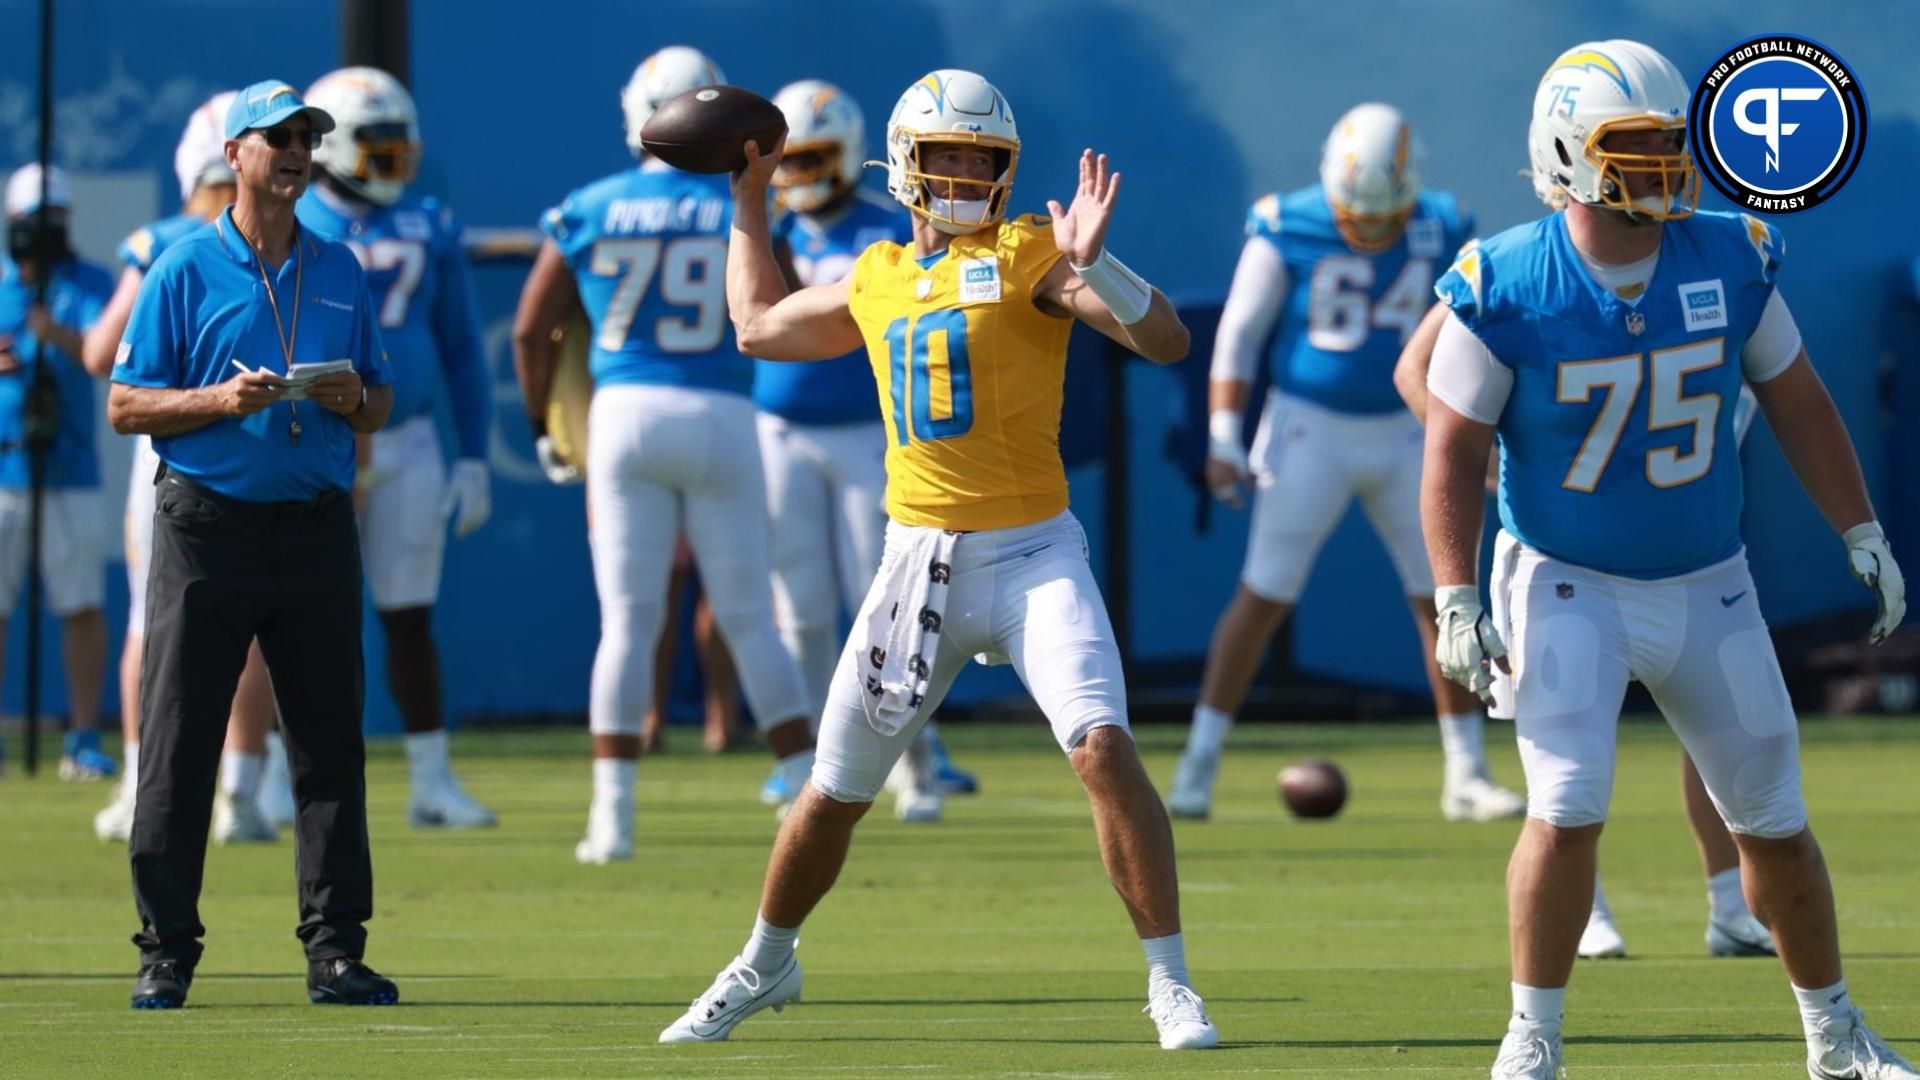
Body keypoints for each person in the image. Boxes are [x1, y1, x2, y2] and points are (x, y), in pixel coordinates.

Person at [659, 69, 1217, 1051]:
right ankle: (764, 960)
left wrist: (1104, 264)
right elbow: (756, 328)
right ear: (906, 165)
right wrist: (750, 211)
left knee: (1103, 747)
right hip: (917, 566)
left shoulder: (1029, 251)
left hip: (1036, 553)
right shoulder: (875, 274)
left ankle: (1170, 982)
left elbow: (1166, 341)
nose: (965, 174)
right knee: (832, 795)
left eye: (982, 160)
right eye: (948, 156)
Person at [1419, 40, 1914, 1078]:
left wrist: (1859, 526)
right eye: (1631, 147)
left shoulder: (1731, 253)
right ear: (1566, 154)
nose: (1661, 168)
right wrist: (1458, 592)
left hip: (1709, 579)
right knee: (1565, 812)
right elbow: (1453, 448)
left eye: (1669, 144)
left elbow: (1798, 399)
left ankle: (1833, 1039)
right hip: (1564, 580)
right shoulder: (1506, 280)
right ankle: (1533, 1041)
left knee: (1773, 820)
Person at [110, 80, 398, 1009]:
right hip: (207, 529)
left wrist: (349, 398)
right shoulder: (182, 267)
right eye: (277, 138)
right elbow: (125, 404)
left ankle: (335, 950)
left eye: (307, 137)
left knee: (328, 745)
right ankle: (165, 951)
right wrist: (218, 402)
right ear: (234, 153)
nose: (296, 151)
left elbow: (381, 399)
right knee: (179, 743)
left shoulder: (343, 267)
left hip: (316, 527)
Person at [1165, 104, 1523, 824]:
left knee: (1443, 598)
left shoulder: (1444, 223)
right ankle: (1198, 765)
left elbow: (1482, 331)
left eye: (1384, 215)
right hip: (1309, 428)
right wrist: (1226, 434)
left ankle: (1466, 772)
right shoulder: (1285, 222)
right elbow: (1239, 333)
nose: (1369, 230)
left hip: (1407, 427)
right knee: (1264, 594)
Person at [1395, 302, 1776, 961]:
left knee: (1718, 728)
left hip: (1684, 539)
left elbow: (1795, 392)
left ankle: (1730, 903)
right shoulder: (1517, 274)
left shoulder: (1716, 262)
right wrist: (1489, 458)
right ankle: (1588, 907)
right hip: (1565, 558)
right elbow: (1415, 369)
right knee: (1566, 743)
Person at [511, 45, 817, 864]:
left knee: (627, 621)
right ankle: (808, 780)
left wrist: (546, 423)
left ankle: (612, 815)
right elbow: (782, 308)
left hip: (625, 412)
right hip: (721, 409)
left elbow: (527, 326)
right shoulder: (740, 206)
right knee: (751, 615)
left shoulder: (590, 204)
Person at [83, 90, 282, 847]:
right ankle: (244, 789)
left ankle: (142, 783)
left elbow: (105, 357)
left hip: (173, 458)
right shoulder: (297, 237)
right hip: (270, 448)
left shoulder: (166, 240)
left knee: (153, 619)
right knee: (263, 623)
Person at [299, 66, 496, 829]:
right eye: (375, 147)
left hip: (410, 436)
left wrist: (474, 453)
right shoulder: (300, 222)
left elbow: (459, 350)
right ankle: (273, 778)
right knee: (301, 620)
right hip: (318, 440)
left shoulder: (427, 224)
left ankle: (430, 781)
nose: (392, 162)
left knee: (409, 615)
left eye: (398, 147)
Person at [752, 77, 948, 822]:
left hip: (874, 432)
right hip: (782, 432)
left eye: (816, 157)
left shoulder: (891, 228)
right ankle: (811, 765)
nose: (801, 175)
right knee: (798, 610)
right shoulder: (774, 232)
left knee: (891, 604)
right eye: (790, 161)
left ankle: (917, 763)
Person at [0, 164, 115, 781]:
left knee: (80, 603)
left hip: (68, 469)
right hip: (3, 468)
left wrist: (58, 335)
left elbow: (106, 352)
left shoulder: (89, 281)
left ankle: (82, 735)